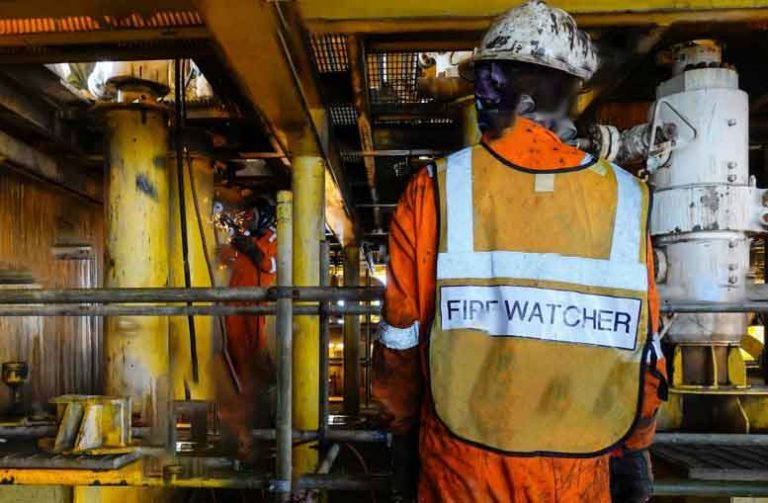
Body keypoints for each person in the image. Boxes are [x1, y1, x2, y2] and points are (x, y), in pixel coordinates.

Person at [371, 2, 668, 502]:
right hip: (579, 468)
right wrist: (634, 445)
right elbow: (645, 346)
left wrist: (402, 433)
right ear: (572, 93)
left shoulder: (439, 189)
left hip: (461, 468)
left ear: (504, 89)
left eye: (486, 81)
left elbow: (403, 335)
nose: (481, 93)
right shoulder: (623, 197)